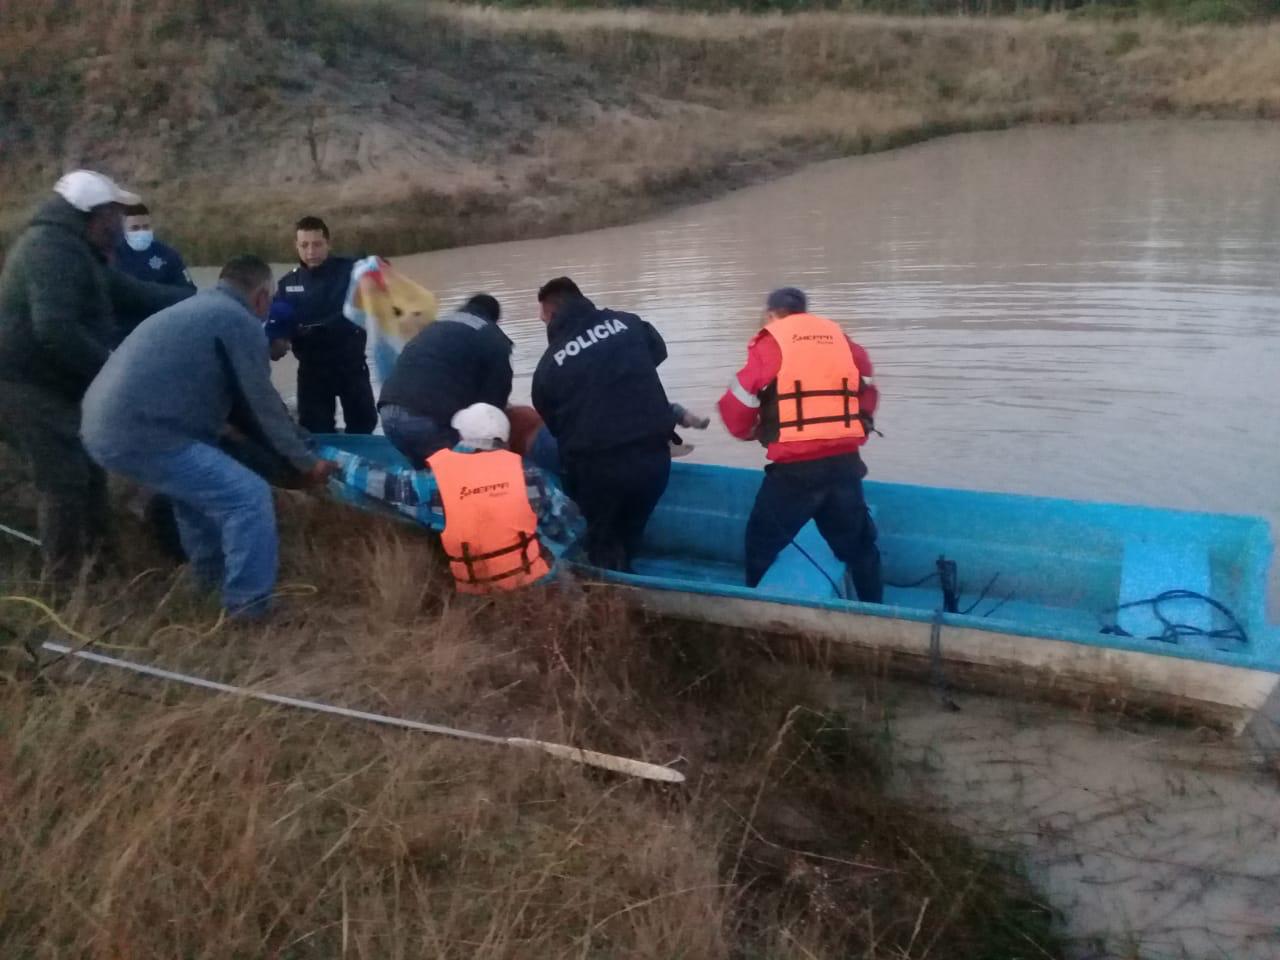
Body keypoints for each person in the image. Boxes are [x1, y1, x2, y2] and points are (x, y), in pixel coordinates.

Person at [81, 255, 337, 617]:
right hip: (143, 431)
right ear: (262, 297)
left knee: (196, 501)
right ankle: (250, 606)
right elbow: (261, 404)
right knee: (248, 498)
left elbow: (240, 407)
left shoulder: (199, 307)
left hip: (102, 426)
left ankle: (207, 589)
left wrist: (292, 441)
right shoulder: (240, 321)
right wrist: (307, 463)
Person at [0, 171, 192, 580]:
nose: (122, 226)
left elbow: (133, 293)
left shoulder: (77, 251)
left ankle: (103, 574)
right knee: (63, 478)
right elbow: (54, 328)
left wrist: (206, 299)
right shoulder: (49, 251)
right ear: (95, 214)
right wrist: (111, 372)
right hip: (21, 387)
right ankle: (65, 588)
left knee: (89, 474)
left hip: (49, 386)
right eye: (116, 215)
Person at [717, 287, 883, 602]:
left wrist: (748, 432)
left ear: (771, 314)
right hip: (845, 464)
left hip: (795, 473)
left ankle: (756, 613)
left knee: (761, 543)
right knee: (859, 548)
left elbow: (737, 404)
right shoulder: (843, 342)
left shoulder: (770, 344)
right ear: (804, 311)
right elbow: (868, 392)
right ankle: (877, 613)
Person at [531, 276, 675, 571]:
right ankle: (628, 567)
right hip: (655, 461)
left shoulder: (548, 367)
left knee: (603, 542)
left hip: (601, 472)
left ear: (551, 314)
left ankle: (612, 598)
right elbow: (657, 353)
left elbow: (555, 426)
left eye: (543, 317)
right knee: (631, 530)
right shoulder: (629, 323)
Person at [427, 403, 581, 593]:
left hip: (474, 592)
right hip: (530, 583)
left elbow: (389, 487)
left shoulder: (437, 481)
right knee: (563, 560)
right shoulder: (528, 474)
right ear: (505, 440)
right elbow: (566, 520)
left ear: (462, 438)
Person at [271, 216, 376, 434]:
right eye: (304, 245)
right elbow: (278, 333)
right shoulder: (287, 284)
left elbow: (382, 293)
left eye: (317, 244)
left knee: (364, 427)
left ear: (328, 243)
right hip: (312, 372)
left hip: (351, 367)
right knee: (316, 431)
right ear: (296, 246)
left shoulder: (353, 271)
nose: (311, 252)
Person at [378, 293, 512, 464]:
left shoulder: (435, 326)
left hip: (388, 414)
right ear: (495, 318)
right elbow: (492, 406)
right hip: (427, 420)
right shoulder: (493, 338)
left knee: (424, 478)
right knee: (464, 475)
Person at [114, 203, 196, 290]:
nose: (141, 232)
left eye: (146, 227)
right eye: (135, 228)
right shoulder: (112, 256)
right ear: (123, 230)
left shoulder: (168, 255)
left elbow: (188, 290)